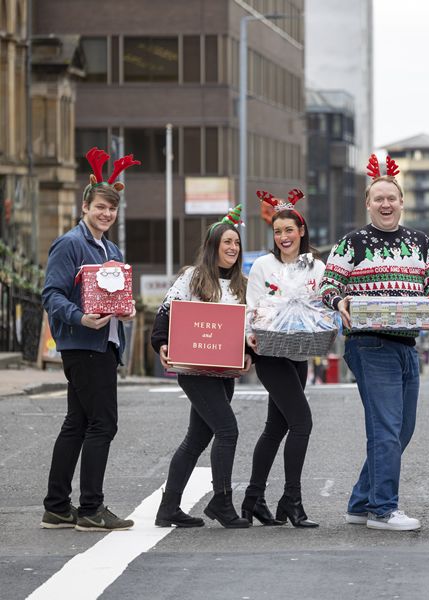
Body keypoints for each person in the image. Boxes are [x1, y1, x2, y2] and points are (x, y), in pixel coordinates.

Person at [320, 154, 429, 531]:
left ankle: (361, 503)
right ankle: (383, 509)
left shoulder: (420, 242)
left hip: (408, 344)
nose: (386, 204)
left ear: (402, 202)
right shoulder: (352, 243)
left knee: (400, 429)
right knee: (387, 428)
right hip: (369, 344)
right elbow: (328, 285)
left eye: (392, 198)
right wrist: (339, 301)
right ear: (369, 204)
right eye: (379, 199)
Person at [40, 147, 139, 531]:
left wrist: (126, 312)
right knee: (103, 424)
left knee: (77, 423)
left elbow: (117, 297)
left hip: (105, 344)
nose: (106, 214)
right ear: (86, 206)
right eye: (100, 207)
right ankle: (91, 509)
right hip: (84, 345)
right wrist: (82, 318)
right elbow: (51, 296)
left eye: (111, 209)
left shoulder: (111, 249)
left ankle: (57, 507)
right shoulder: (70, 244)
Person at [151, 206, 251, 529]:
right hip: (195, 371)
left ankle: (168, 508)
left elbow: (251, 327)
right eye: (227, 242)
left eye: (236, 242)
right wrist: (161, 343)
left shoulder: (242, 285)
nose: (233, 248)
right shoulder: (191, 278)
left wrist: (251, 353)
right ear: (213, 247)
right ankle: (222, 502)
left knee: (195, 440)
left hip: (224, 374)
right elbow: (165, 314)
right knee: (228, 430)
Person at [240, 189, 325, 528]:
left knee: (276, 427)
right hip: (270, 351)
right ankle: (292, 499)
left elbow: (321, 304)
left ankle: (253, 499)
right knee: (301, 422)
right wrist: (249, 333)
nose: (284, 237)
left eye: (289, 230)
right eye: (278, 232)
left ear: (301, 231)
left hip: (300, 350)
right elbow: (252, 304)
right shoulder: (263, 265)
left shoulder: (315, 266)